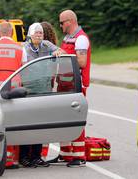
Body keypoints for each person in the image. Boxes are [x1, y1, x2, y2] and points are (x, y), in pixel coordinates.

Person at [19, 23, 63, 168]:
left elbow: (59, 50)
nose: (39, 35)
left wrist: (57, 51)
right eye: (36, 33)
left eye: (41, 33)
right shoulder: (24, 48)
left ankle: (36, 156)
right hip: (29, 91)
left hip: (44, 91)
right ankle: (24, 157)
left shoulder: (46, 44)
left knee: (40, 125)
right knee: (27, 125)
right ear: (30, 35)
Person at [54, 10, 91, 167]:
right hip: (65, 83)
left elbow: (82, 62)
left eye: (62, 23)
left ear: (69, 21)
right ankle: (65, 153)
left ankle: (78, 155)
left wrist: (63, 55)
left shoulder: (81, 38)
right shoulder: (68, 38)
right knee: (63, 118)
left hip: (76, 84)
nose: (60, 25)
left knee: (75, 118)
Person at [0, 21, 26, 169]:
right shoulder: (20, 48)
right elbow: (25, 70)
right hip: (14, 92)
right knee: (14, 125)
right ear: (12, 32)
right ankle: (12, 160)